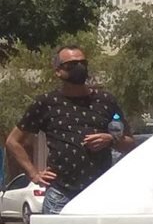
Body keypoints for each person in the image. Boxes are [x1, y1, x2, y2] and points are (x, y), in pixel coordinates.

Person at [3, 46, 135, 214]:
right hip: (61, 193)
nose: (79, 68)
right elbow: (13, 142)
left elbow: (130, 143)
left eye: (82, 63)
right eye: (72, 64)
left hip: (100, 192)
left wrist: (111, 139)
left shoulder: (105, 100)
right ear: (58, 71)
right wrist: (34, 174)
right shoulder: (46, 103)